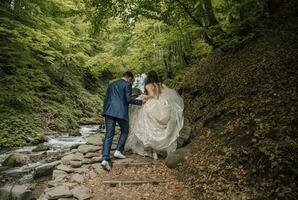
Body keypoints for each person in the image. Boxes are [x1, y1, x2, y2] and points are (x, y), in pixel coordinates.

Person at [125, 71, 184, 160]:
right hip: (161, 104)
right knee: (159, 128)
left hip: (152, 105)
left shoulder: (148, 85)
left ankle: (154, 151)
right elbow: (169, 92)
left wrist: (144, 97)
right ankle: (162, 149)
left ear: (148, 77)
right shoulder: (160, 84)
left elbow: (152, 95)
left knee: (148, 128)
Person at [101, 71, 150, 171]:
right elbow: (128, 99)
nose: (131, 82)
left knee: (108, 135)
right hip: (120, 112)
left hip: (109, 111)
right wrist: (140, 102)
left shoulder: (111, 84)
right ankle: (118, 151)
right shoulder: (127, 84)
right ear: (129, 78)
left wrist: (105, 111)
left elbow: (106, 99)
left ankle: (105, 159)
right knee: (125, 131)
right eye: (131, 81)